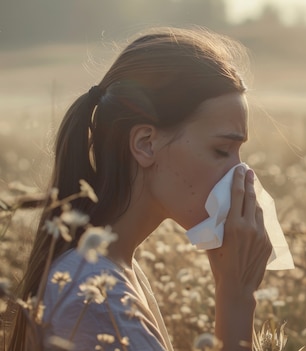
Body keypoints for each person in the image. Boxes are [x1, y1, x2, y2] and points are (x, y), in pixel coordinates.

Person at [8, 27, 273, 351]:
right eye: (221, 150)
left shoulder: (116, 272)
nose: (240, 173)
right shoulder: (95, 300)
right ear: (146, 144)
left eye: (239, 152)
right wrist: (236, 298)